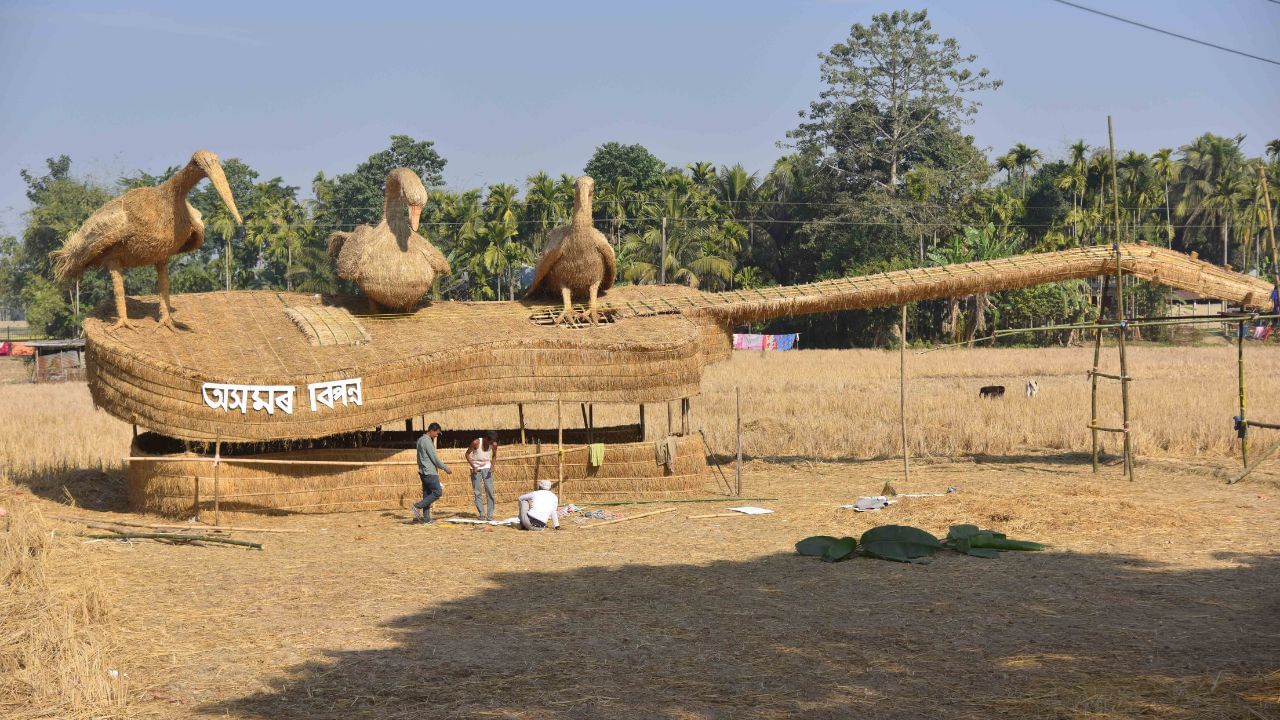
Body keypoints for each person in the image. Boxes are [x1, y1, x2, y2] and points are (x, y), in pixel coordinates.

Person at [413, 422, 452, 524]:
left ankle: (426, 519)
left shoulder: (420, 440)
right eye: (437, 433)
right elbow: (434, 458)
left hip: (423, 471)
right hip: (430, 472)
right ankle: (417, 506)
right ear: (431, 431)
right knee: (438, 492)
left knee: (427, 496)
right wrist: (445, 468)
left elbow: (418, 457)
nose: (437, 435)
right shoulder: (427, 441)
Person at [466, 430, 499, 521]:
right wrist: (473, 466)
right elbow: (467, 454)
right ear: (485, 439)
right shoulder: (476, 442)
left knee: (490, 491)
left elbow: (494, 456)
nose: (491, 444)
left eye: (493, 442)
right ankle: (481, 514)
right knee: (477, 492)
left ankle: (490, 514)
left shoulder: (494, 444)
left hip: (487, 468)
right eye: (490, 442)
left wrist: (492, 466)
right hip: (476, 468)